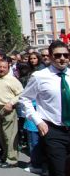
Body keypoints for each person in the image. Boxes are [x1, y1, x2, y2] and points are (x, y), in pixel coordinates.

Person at [20, 40, 70, 176]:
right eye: (58, 55)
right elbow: (25, 99)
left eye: (66, 55)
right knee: (58, 170)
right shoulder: (40, 76)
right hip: (53, 130)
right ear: (50, 56)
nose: (62, 58)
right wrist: (38, 121)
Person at [0, 60, 23, 168]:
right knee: (1, 135)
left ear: (8, 68)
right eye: (0, 67)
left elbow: (21, 93)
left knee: (10, 135)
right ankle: (5, 156)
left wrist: (11, 103)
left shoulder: (12, 80)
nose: (2, 69)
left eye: (4, 67)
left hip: (8, 109)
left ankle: (12, 160)